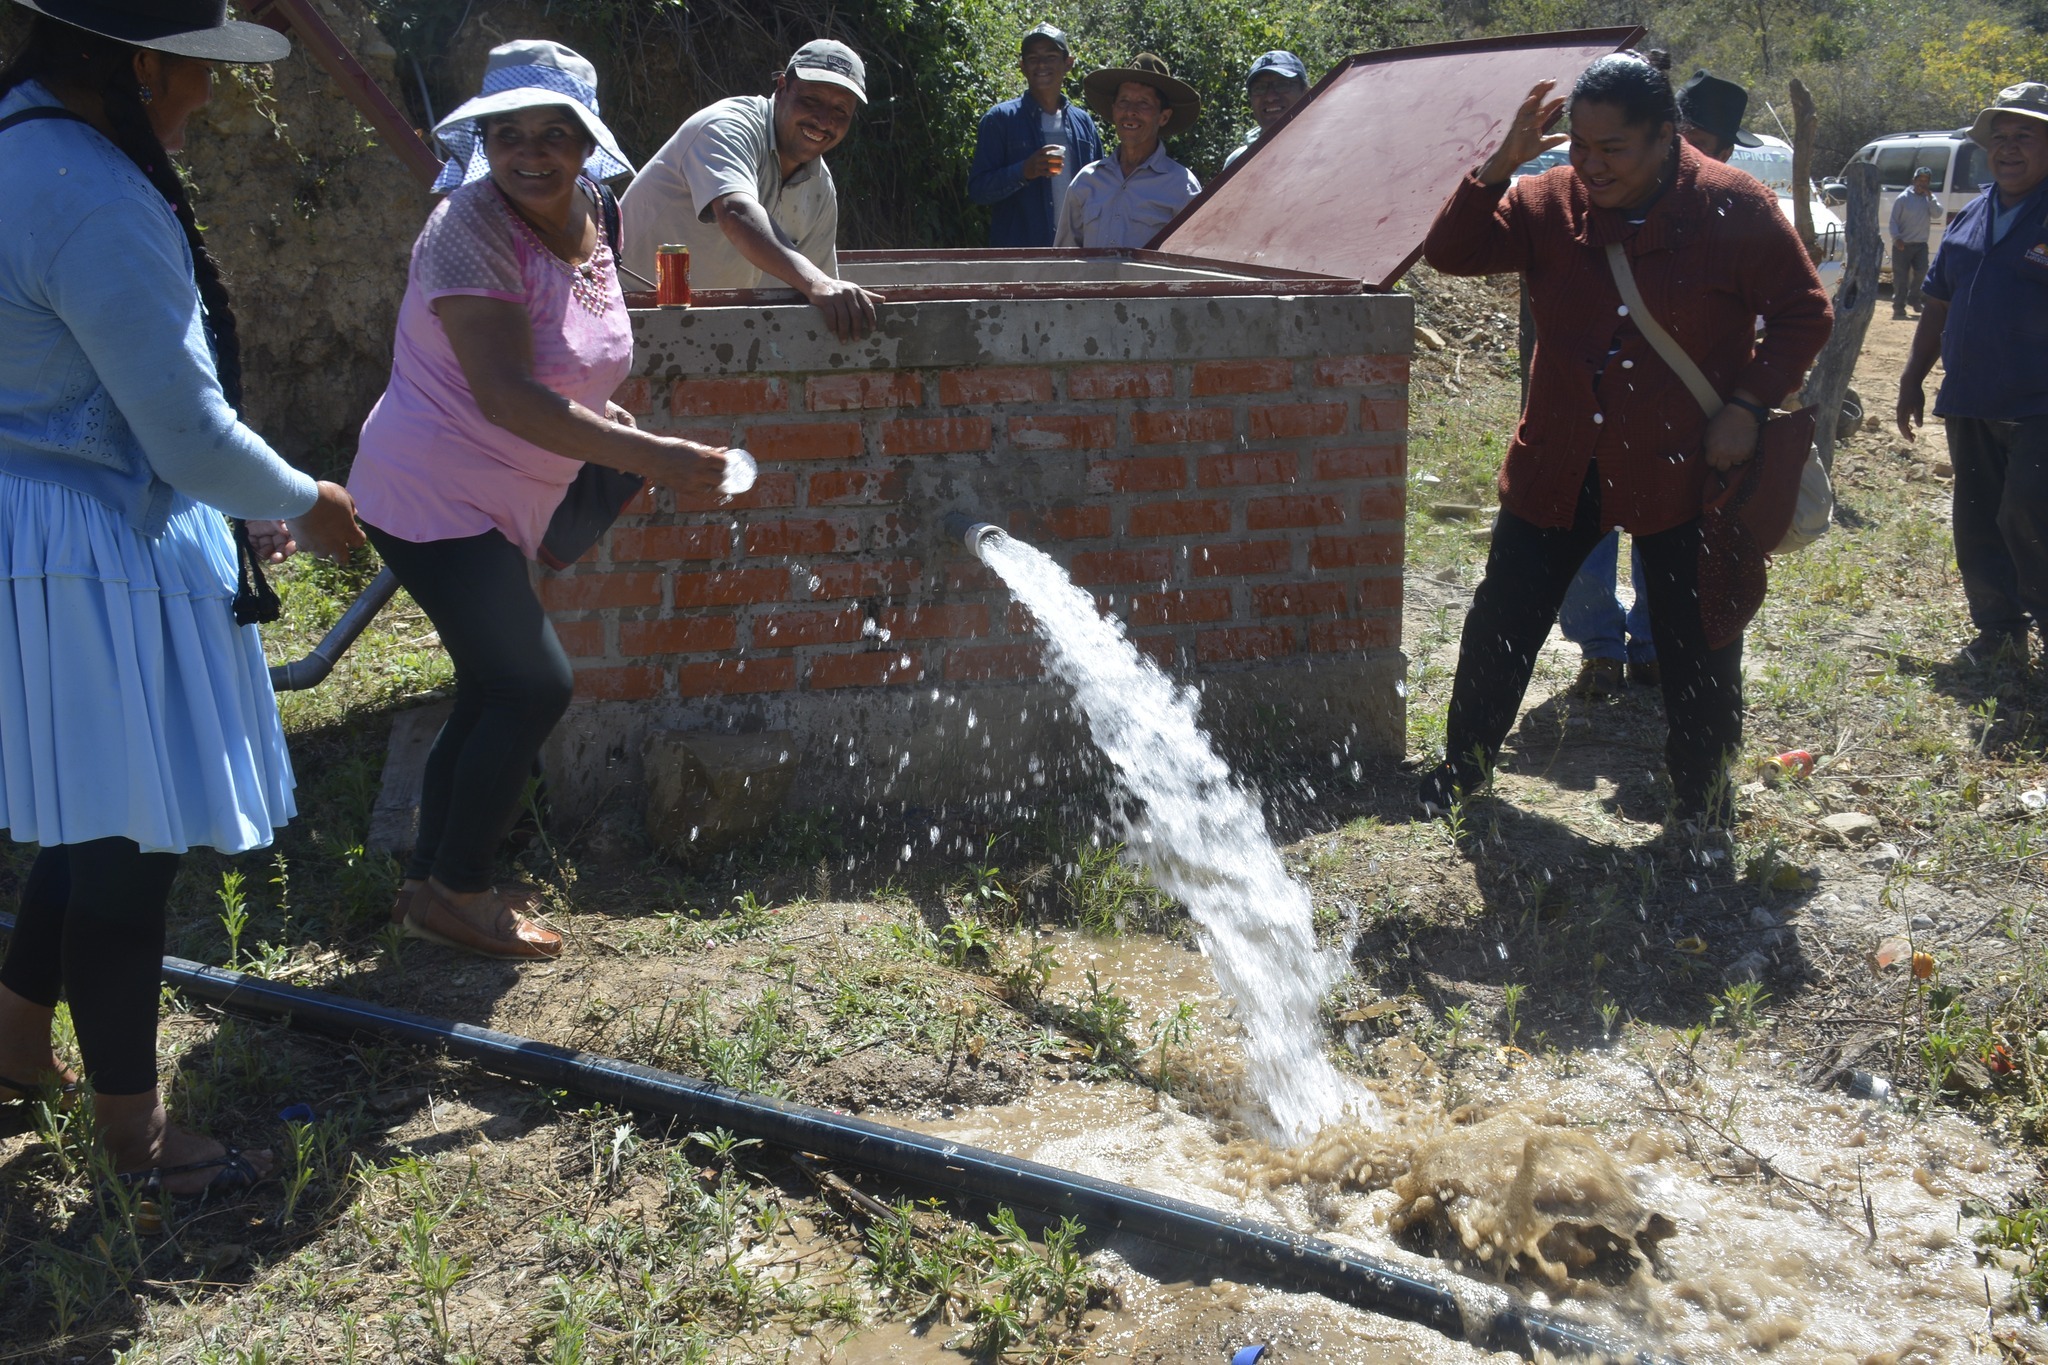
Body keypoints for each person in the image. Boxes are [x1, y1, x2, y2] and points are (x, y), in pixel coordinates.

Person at [0, 0, 364, 1196]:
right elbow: (189, 437)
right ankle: (136, 1141)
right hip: (92, 544)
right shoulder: (94, 195)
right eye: (200, 74)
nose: (208, 101)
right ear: (149, 65)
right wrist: (313, 498)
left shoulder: (19, 140)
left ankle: (12, 1046)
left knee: (85, 803)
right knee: (127, 845)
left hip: (33, 525)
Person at [347, 42, 736, 958]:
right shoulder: (466, 227)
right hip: (431, 490)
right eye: (508, 133)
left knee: (492, 683)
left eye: (553, 133)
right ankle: (462, 888)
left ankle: (429, 881)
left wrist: (613, 426)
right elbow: (507, 394)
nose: (530, 152)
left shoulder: (595, 211)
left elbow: (572, 346)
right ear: (484, 141)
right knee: (533, 683)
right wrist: (653, 453)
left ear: (585, 142)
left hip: (505, 492)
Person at [1419, 55, 1831, 827]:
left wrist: (1747, 402)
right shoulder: (1544, 200)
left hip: (1686, 471)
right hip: (1558, 462)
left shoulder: (1736, 207)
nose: (1590, 164)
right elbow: (1452, 253)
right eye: (1579, 145)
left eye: (1614, 149)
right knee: (1500, 623)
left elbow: (1806, 311)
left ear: (1668, 137)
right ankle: (1463, 768)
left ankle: (1702, 801)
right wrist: (1501, 165)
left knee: (1700, 642)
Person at [1557, 67, 1761, 700]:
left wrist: (1745, 403)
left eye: (1721, 147)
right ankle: (1599, 648)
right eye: (1699, 140)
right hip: (1588, 407)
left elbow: (1786, 311)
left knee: (1668, 528)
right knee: (1581, 528)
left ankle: (1650, 644)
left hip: (1683, 410)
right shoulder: (1591, 196)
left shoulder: (1738, 206)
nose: (1708, 157)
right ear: (1670, 135)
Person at [1897, 82, 2048, 666]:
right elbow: (1937, 301)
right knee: (1979, 515)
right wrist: (1913, 378)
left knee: (2030, 512)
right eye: (1998, 139)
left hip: (2039, 403)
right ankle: (1999, 631)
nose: (2007, 149)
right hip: (1970, 396)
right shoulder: (1974, 212)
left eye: (2024, 136)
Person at [619, 40, 882, 342]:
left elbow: (818, 291)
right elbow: (735, 212)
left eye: (840, 110)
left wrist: (821, 286)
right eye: (811, 100)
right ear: (782, 88)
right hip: (628, 316)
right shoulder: (728, 126)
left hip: (709, 337)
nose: (824, 121)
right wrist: (818, 283)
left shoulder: (820, 187)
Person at [969, 23, 1102, 248]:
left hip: (1078, 255)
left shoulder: (1084, 123)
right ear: (1022, 66)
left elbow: (1100, 187)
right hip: (1022, 257)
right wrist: (1024, 171)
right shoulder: (999, 120)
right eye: (1033, 58)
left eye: (1050, 57)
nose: (1041, 65)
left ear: (1068, 63)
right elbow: (979, 191)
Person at [1054, 53, 1201, 250]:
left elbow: (1192, 264)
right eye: (1124, 101)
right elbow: (1063, 261)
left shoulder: (1183, 188)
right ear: (1114, 109)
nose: (1130, 111)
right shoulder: (1086, 181)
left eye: (1143, 103)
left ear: (1164, 117)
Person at [1222, 50, 1308, 173]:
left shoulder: (1327, 149)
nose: (1270, 97)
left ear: (1306, 93)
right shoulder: (1237, 163)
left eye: (1282, 84)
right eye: (1259, 88)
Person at [1889, 166, 1943, 319]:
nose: (1923, 183)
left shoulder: (1929, 199)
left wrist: (1930, 197)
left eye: (1926, 180)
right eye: (1920, 180)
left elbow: (1937, 214)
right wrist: (1897, 238)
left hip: (1920, 244)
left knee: (1922, 271)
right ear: (1914, 180)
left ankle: (1914, 298)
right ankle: (1899, 307)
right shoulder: (1903, 198)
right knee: (1901, 278)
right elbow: (1893, 221)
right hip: (1902, 244)